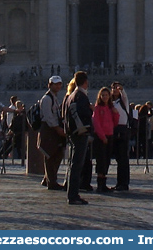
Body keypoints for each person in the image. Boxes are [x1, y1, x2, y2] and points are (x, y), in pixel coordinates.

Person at [63, 71, 93, 206]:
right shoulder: (81, 96)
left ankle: (72, 193)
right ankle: (73, 195)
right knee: (77, 165)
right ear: (85, 82)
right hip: (80, 133)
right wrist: (91, 110)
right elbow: (84, 114)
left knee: (73, 164)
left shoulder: (71, 96)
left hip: (72, 132)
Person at [39, 76, 67, 190]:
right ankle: (52, 182)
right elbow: (48, 116)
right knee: (50, 155)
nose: (58, 86)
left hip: (54, 129)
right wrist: (57, 128)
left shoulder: (54, 97)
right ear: (49, 85)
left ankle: (48, 179)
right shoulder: (47, 99)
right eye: (55, 84)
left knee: (57, 154)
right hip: (50, 130)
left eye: (59, 84)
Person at [91, 87, 117, 193]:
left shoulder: (110, 108)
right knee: (101, 160)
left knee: (106, 160)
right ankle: (100, 184)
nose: (105, 97)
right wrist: (103, 136)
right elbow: (96, 124)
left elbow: (114, 123)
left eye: (106, 95)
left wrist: (115, 113)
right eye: (103, 95)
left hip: (110, 135)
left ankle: (104, 183)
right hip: (101, 137)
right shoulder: (98, 108)